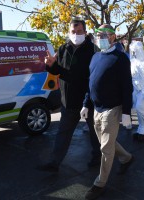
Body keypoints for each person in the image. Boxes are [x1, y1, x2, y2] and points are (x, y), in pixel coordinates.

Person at [36, 18, 101, 172]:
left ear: (85, 32)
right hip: (68, 102)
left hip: (89, 101)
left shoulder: (94, 51)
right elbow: (58, 71)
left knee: (95, 133)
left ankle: (97, 158)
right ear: (69, 32)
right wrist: (50, 66)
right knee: (63, 134)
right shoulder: (63, 48)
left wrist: (89, 102)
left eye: (79, 32)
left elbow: (90, 77)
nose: (76, 34)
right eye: (73, 32)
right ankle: (54, 162)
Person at [82, 24, 134, 200]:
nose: (101, 37)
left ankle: (100, 183)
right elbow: (91, 84)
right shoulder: (95, 57)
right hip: (96, 108)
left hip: (113, 108)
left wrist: (126, 112)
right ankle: (127, 158)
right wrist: (85, 104)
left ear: (113, 37)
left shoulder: (120, 58)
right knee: (107, 141)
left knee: (105, 146)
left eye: (105, 34)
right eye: (98, 34)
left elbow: (127, 87)